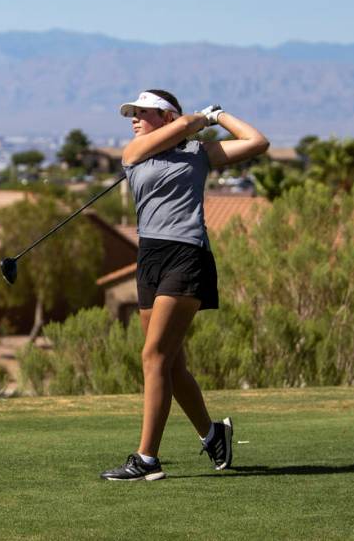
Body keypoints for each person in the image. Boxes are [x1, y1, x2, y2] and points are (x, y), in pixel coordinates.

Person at [100, 89, 269, 481]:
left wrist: (220, 115)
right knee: (171, 364)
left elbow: (257, 142)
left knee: (153, 356)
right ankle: (213, 434)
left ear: (166, 116)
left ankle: (147, 460)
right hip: (150, 258)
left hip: (187, 255)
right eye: (133, 113)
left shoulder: (198, 154)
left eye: (143, 113)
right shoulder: (133, 152)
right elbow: (187, 126)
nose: (134, 119)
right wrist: (198, 120)